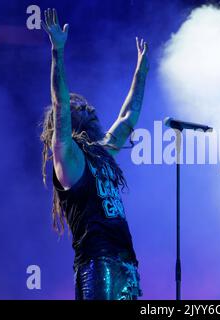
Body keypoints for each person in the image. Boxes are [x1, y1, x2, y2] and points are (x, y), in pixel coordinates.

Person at [39, 8, 148, 300]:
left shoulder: (100, 155)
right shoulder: (68, 157)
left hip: (126, 265)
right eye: (79, 109)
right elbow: (60, 105)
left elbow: (127, 118)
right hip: (99, 267)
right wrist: (57, 52)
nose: (86, 109)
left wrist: (141, 72)